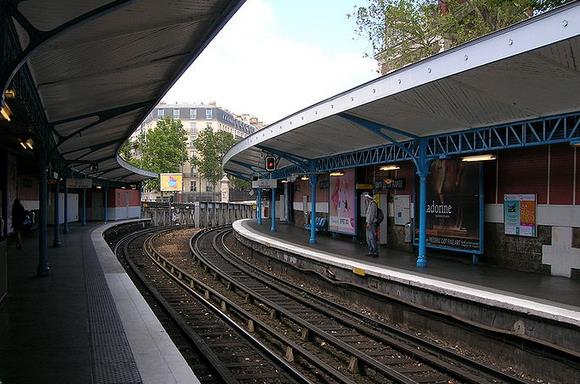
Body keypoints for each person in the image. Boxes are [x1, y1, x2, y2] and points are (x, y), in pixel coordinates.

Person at [363, 192, 378, 257]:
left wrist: (369, 223)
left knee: (372, 237)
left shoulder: (373, 204)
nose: (366, 198)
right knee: (368, 238)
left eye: (367, 197)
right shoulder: (369, 204)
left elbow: (371, 215)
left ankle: (375, 252)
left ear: (369, 197)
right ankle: (371, 250)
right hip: (369, 223)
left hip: (371, 223)